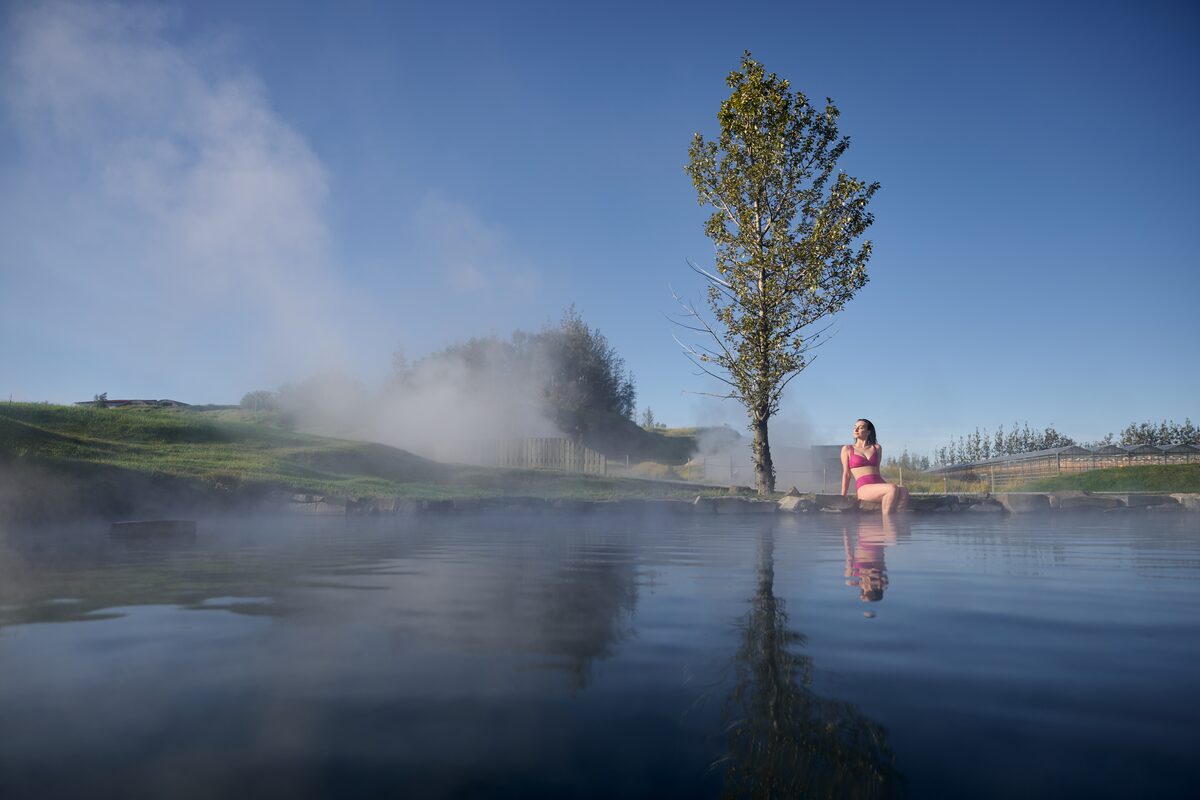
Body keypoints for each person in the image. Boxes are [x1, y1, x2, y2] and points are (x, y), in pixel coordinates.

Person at [841, 418, 908, 514]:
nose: (856, 430)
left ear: (868, 432)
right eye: (855, 427)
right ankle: (888, 523)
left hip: (878, 483)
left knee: (903, 491)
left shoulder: (877, 448)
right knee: (892, 488)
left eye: (860, 428)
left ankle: (898, 522)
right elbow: (846, 474)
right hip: (864, 487)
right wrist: (842, 495)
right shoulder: (847, 449)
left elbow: (877, 470)